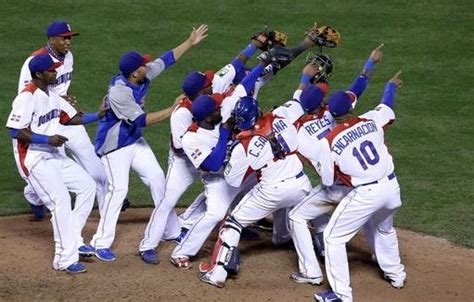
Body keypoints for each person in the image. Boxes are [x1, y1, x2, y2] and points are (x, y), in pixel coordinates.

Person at [138, 36, 266, 264]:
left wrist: (255, 47)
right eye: (207, 84)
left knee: (232, 184)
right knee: (168, 200)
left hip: (209, 153)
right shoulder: (181, 114)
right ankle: (148, 245)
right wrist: (215, 147)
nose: (212, 82)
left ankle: (232, 222)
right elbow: (181, 146)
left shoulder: (210, 93)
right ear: (199, 93)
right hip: (185, 162)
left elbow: (235, 66)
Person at [90, 24, 208, 262]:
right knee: (118, 190)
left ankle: (172, 230)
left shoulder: (141, 76)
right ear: (135, 72)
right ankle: (99, 243)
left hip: (133, 139)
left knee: (157, 179)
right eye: (143, 64)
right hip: (114, 146)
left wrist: (190, 41)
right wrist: (173, 107)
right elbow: (143, 120)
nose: (148, 65)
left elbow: (166, 60)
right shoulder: (118, 93)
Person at [288, 45, 384, 285]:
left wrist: (303, 79)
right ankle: (382, 260)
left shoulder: (297, 133)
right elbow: (357, 87)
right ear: (323, 104)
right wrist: (370, 62)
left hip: (333, 187)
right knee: (370, 215)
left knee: (297, 216)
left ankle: (311, 271)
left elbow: (295, 106)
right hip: (360, 183)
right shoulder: (333, 111)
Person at [197, 95, 312, 288]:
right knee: (297, 213)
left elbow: (233, 180)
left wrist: (234, 155)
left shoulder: (243, 145)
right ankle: (308, 257)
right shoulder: (280, 116)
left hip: (274, 190)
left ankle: (217, 273)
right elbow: (302, 103)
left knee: (232, 222)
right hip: (302, 184)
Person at [169, 60, 273, 269]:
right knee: (216, 213)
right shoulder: (192, 138)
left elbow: (244, 85)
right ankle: (181, 252)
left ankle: (283, 231)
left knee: (273, 179)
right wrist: (225, 133)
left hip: (239, 168)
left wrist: (264, 63)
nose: (220, 104)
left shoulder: (222, 110)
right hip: (216, 179)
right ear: (208, 116)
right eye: (216, 106)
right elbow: (212, 164)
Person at [314, 71, 406, 302]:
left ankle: (341, 295)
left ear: (331, 114)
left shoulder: (330, 141)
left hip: (367, 194)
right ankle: (396, 274)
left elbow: (327, 181)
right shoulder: (371, 121)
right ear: (351, 108)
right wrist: (390, 85)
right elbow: (386, 105)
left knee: (333, 238)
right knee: (384, 229)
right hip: (392, 188)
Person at [6, 54, 104, 273]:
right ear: (39, 74)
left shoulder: (51, 94)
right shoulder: (27, 97)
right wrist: (47, 139)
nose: (56, 72)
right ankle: (64, 259)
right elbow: (15, 131)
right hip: (35, 159)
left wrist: (99, 114)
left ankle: (72, 238)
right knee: (60, 201)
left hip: (55, 156)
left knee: (87, 186)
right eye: (52, 70)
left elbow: (71, 118)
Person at [18, 20, 109, 221]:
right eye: (64, 38)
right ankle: (33, 196)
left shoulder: (68, 57)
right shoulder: (34, 62)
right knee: (55, 174)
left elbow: (61, 87)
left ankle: (106, 220)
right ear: (51, 39)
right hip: (47, 123)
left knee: (94, 164)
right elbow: (28, 95)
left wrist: (65, 99)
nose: (68, 42)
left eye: (70, 38)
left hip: (67, 117)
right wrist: (55, 100)